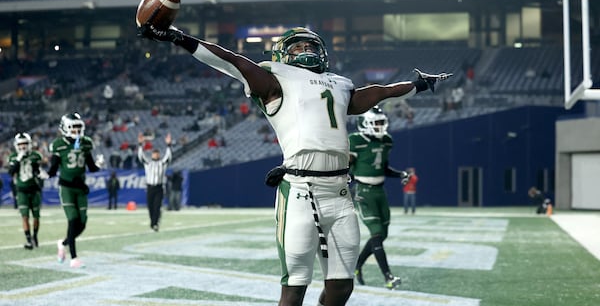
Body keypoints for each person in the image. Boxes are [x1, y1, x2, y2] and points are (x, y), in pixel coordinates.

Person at [137, 23, 451, 306]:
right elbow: (231, 60)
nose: (306, 51)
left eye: (311, 46)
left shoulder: (340, 84)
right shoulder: (275, 81)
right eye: (298, 47)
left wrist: (418, 84)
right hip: (301, 191)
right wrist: (179, 37)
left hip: (340, 193)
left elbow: (378, 93)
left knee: (341, 286)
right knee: (295, 286)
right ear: (283, 56)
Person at [349, 106, 409, 290]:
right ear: (365, 124)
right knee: (376, 233)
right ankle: (388, 277)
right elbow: (345, 166)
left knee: (382, 234)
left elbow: (383, 167)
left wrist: (400, 174)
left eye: (382, 122)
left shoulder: (387, 141)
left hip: (380, 192)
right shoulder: (355, 140)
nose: (380, 126)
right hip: (362, 192)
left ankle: (357, 265)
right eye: (376, 123)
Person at [47, 112, 105, 268]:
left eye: (79, 127)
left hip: (80, 188)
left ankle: (63, 243)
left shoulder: (85, 143)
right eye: (73, 128)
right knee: (72, 220)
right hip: (66, 187)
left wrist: (99, 164)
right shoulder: (59, 144)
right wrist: (45, 174)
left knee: (82, 223)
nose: (77, 131)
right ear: (65, 128)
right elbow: (53, 168)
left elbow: (91, 168)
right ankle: (74, 258)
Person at [7, 133, 47, 249]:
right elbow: (11, 172)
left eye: (25, 143)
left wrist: (40, 173)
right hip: (22, 190)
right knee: (24, 216)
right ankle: (29, 240)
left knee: (36, 217)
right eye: (20, 144)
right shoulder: (14, 157)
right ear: (16, 145)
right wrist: (19, 159)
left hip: (34, 190)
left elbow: (36, 170)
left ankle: (35, 236)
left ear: (29, 144)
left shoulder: (35, 155)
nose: (23, 146)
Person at [137, 132, 172, 232]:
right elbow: (141, 157)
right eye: (154, 154)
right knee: (150, 206)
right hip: (150, 187)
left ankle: (155, 223)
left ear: (159, 155)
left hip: (159, 188)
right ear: (152, 155)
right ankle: (153, 221)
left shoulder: (162, 163)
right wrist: (140, 145)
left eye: (157, 154)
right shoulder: (148, 163)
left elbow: (168, 157)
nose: (155, 155)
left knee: (157, 206)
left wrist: (168, 145)